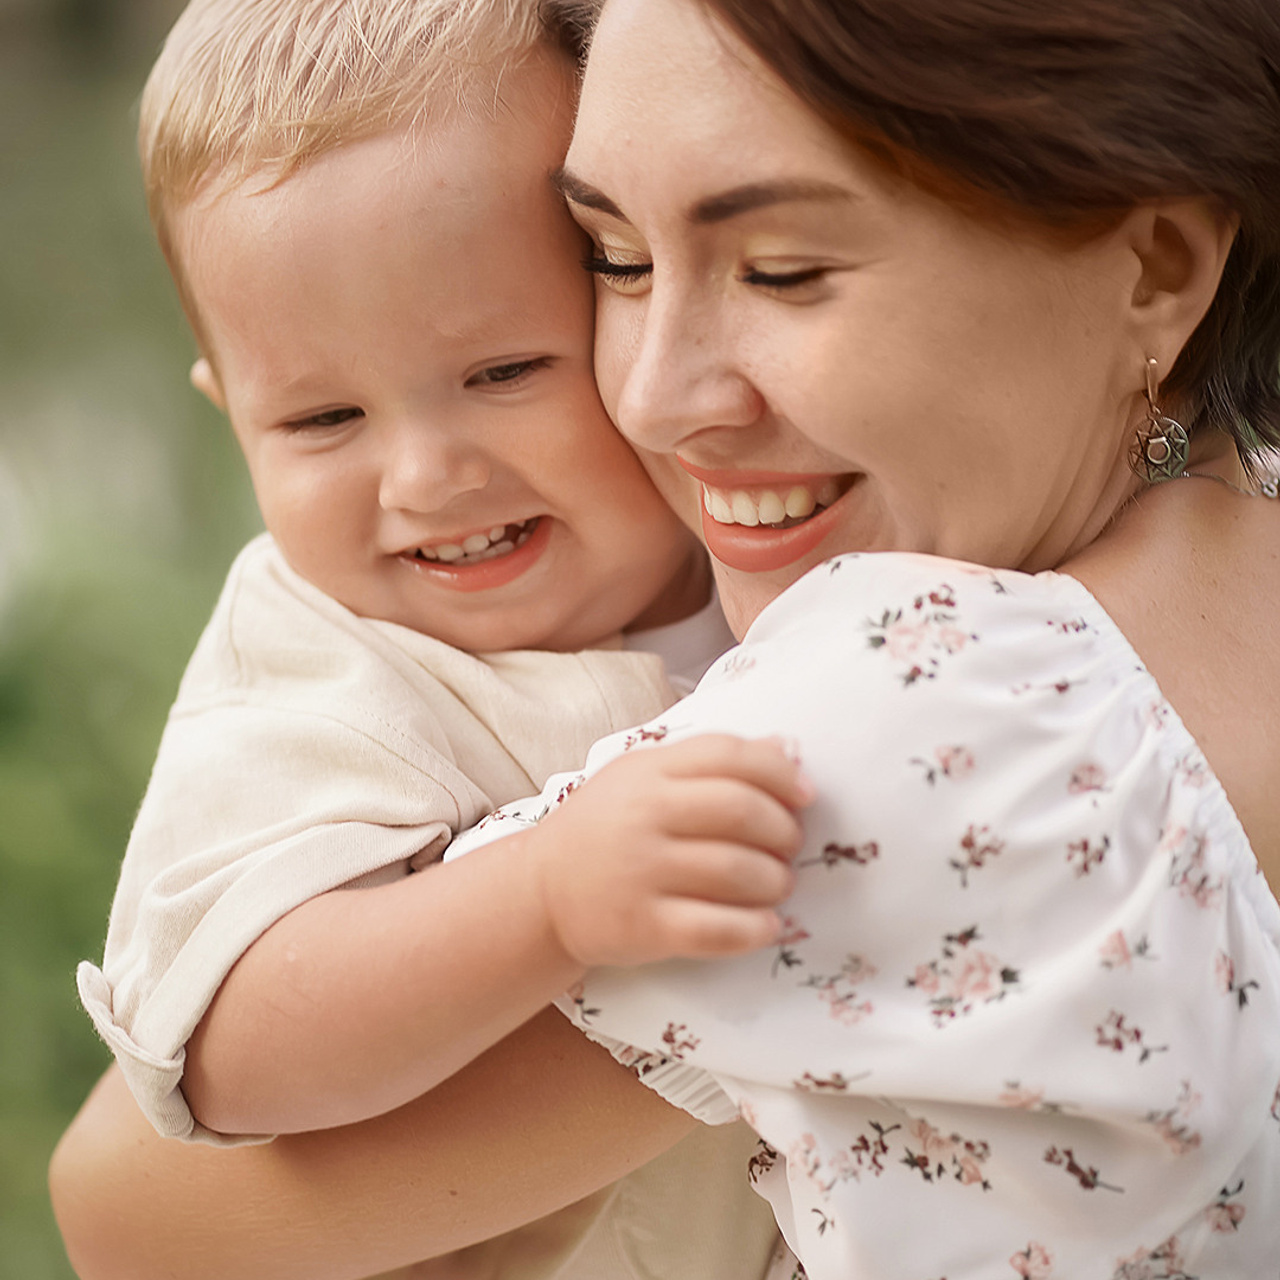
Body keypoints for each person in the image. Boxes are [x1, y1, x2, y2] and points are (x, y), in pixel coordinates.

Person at [51, 0, 1280, 1276]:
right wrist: (539, 893)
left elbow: (124, 1213)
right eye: (616, 259)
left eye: (781, 269)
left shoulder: (923, 708)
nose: (646, 395)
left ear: (1154, 266)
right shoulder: (324, 673)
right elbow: (199, 1066)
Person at [68, 0, 798, 1277]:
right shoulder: (318, 672)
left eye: (504, 371)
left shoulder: (773, 536)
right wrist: (544, 894)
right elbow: (235, 1045)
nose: (424, 475)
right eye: (323, 419)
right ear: (228, 411)